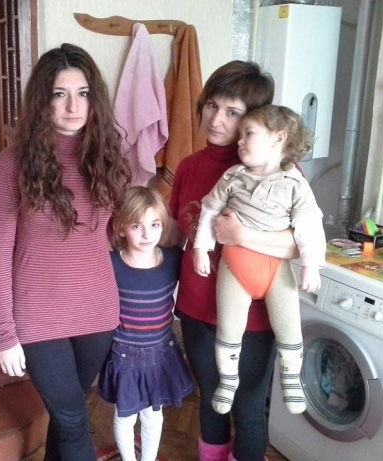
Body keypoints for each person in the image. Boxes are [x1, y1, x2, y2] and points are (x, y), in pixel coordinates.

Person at [0, 43, 131, 461]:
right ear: (42, 100)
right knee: (72, 420)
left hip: (97, 312)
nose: (73, 106)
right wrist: (3, 333)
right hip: (37, 315)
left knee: (67, 416)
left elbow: (108, 237)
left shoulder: (108, 159)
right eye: (59, 94)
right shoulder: (13, 164)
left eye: (82, 93)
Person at [168, 61, 299, 461]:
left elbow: (301, 244)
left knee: (247, 407)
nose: (216, 119)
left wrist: (241, 237)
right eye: (212, 105)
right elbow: (175, 235)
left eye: (232, 112)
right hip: (196, 311)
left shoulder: (279, 172)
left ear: (254, 120)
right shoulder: (189, 167)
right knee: (211, 400)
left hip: (256, 317)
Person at [193, 105, 326, 416]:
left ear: (278, 139)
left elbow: (309, 227)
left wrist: (311, 265)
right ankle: (228, 380)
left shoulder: (295, 184)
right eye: (240, 135)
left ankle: (291, 379)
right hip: (234, 268)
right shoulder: (233, 176)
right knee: (229, 327)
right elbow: (209, 212)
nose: (239, 141)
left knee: (289, 327)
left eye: (248, 133)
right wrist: (201, 248)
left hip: (276, 270)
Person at [98, 186, 194, 461]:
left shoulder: (173, 259)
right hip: (124, 357)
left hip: (160, 354)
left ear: (163, 225)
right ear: (121, 228)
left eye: (154, 225)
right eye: (136, 226)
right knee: (125, 416)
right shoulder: (111, 264)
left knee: (153, 415)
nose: (146, 234)